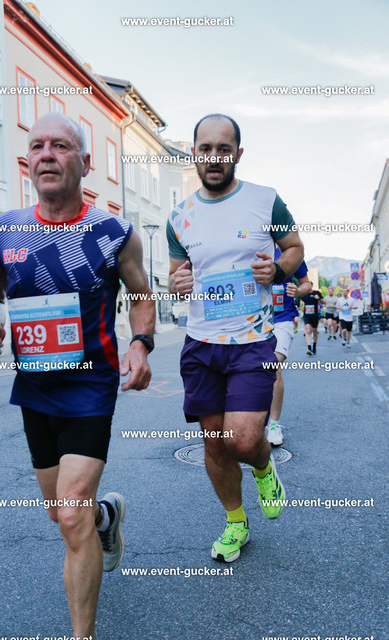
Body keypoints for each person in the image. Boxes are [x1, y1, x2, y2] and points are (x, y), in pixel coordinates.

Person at [0, 113, 155, 639]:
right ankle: (106, 519)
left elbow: (142, 295)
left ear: (85, 162)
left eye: (60, 145)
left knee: (70, 517)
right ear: (27, 161)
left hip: (90, 386)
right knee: (63, 514)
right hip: (34, 387)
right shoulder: (6, 229)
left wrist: (140, 344)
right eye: (37, 146)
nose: (47, 154)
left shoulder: (114, 233)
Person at [166, 113, 304, 563]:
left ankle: (263, 466)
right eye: (205, 149)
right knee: (215, 443)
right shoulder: (179, 216)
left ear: (238, 154)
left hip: (252, 341)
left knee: (243, 439)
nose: (214, 157)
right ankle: (236, 523)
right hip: (201, 344)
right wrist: (177, 283)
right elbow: (175, 276)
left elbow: (295, 248)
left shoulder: (266, 200)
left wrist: (278, 269)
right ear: (194, 153)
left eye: (223, 149)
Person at [267, 247, 311, 446]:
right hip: (252, 320)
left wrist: (298, 291)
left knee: (273, 366)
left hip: (282, 319)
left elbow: (306, 283)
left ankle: (274, 425)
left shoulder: (289, 252)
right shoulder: (249, 248)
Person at [301, 287, 323, 355]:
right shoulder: (304, 293)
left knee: (315, 332)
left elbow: (323, 302)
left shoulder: (316, 293)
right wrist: (302, 303)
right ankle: (309, 347)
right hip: (306, 315)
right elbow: (301, 301)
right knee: (308, 330)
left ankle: (314, 346)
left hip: (314, 316)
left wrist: (318, 298)